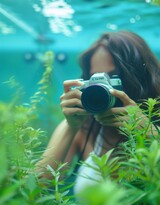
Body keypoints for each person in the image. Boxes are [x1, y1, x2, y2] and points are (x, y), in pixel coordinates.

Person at [36, 30, 160, 193]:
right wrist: (70, 125)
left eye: (113, 76)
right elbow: (35, 190)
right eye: (95, 78)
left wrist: (149, 133)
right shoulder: (83, 126)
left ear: (140, 77)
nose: (103, 87)